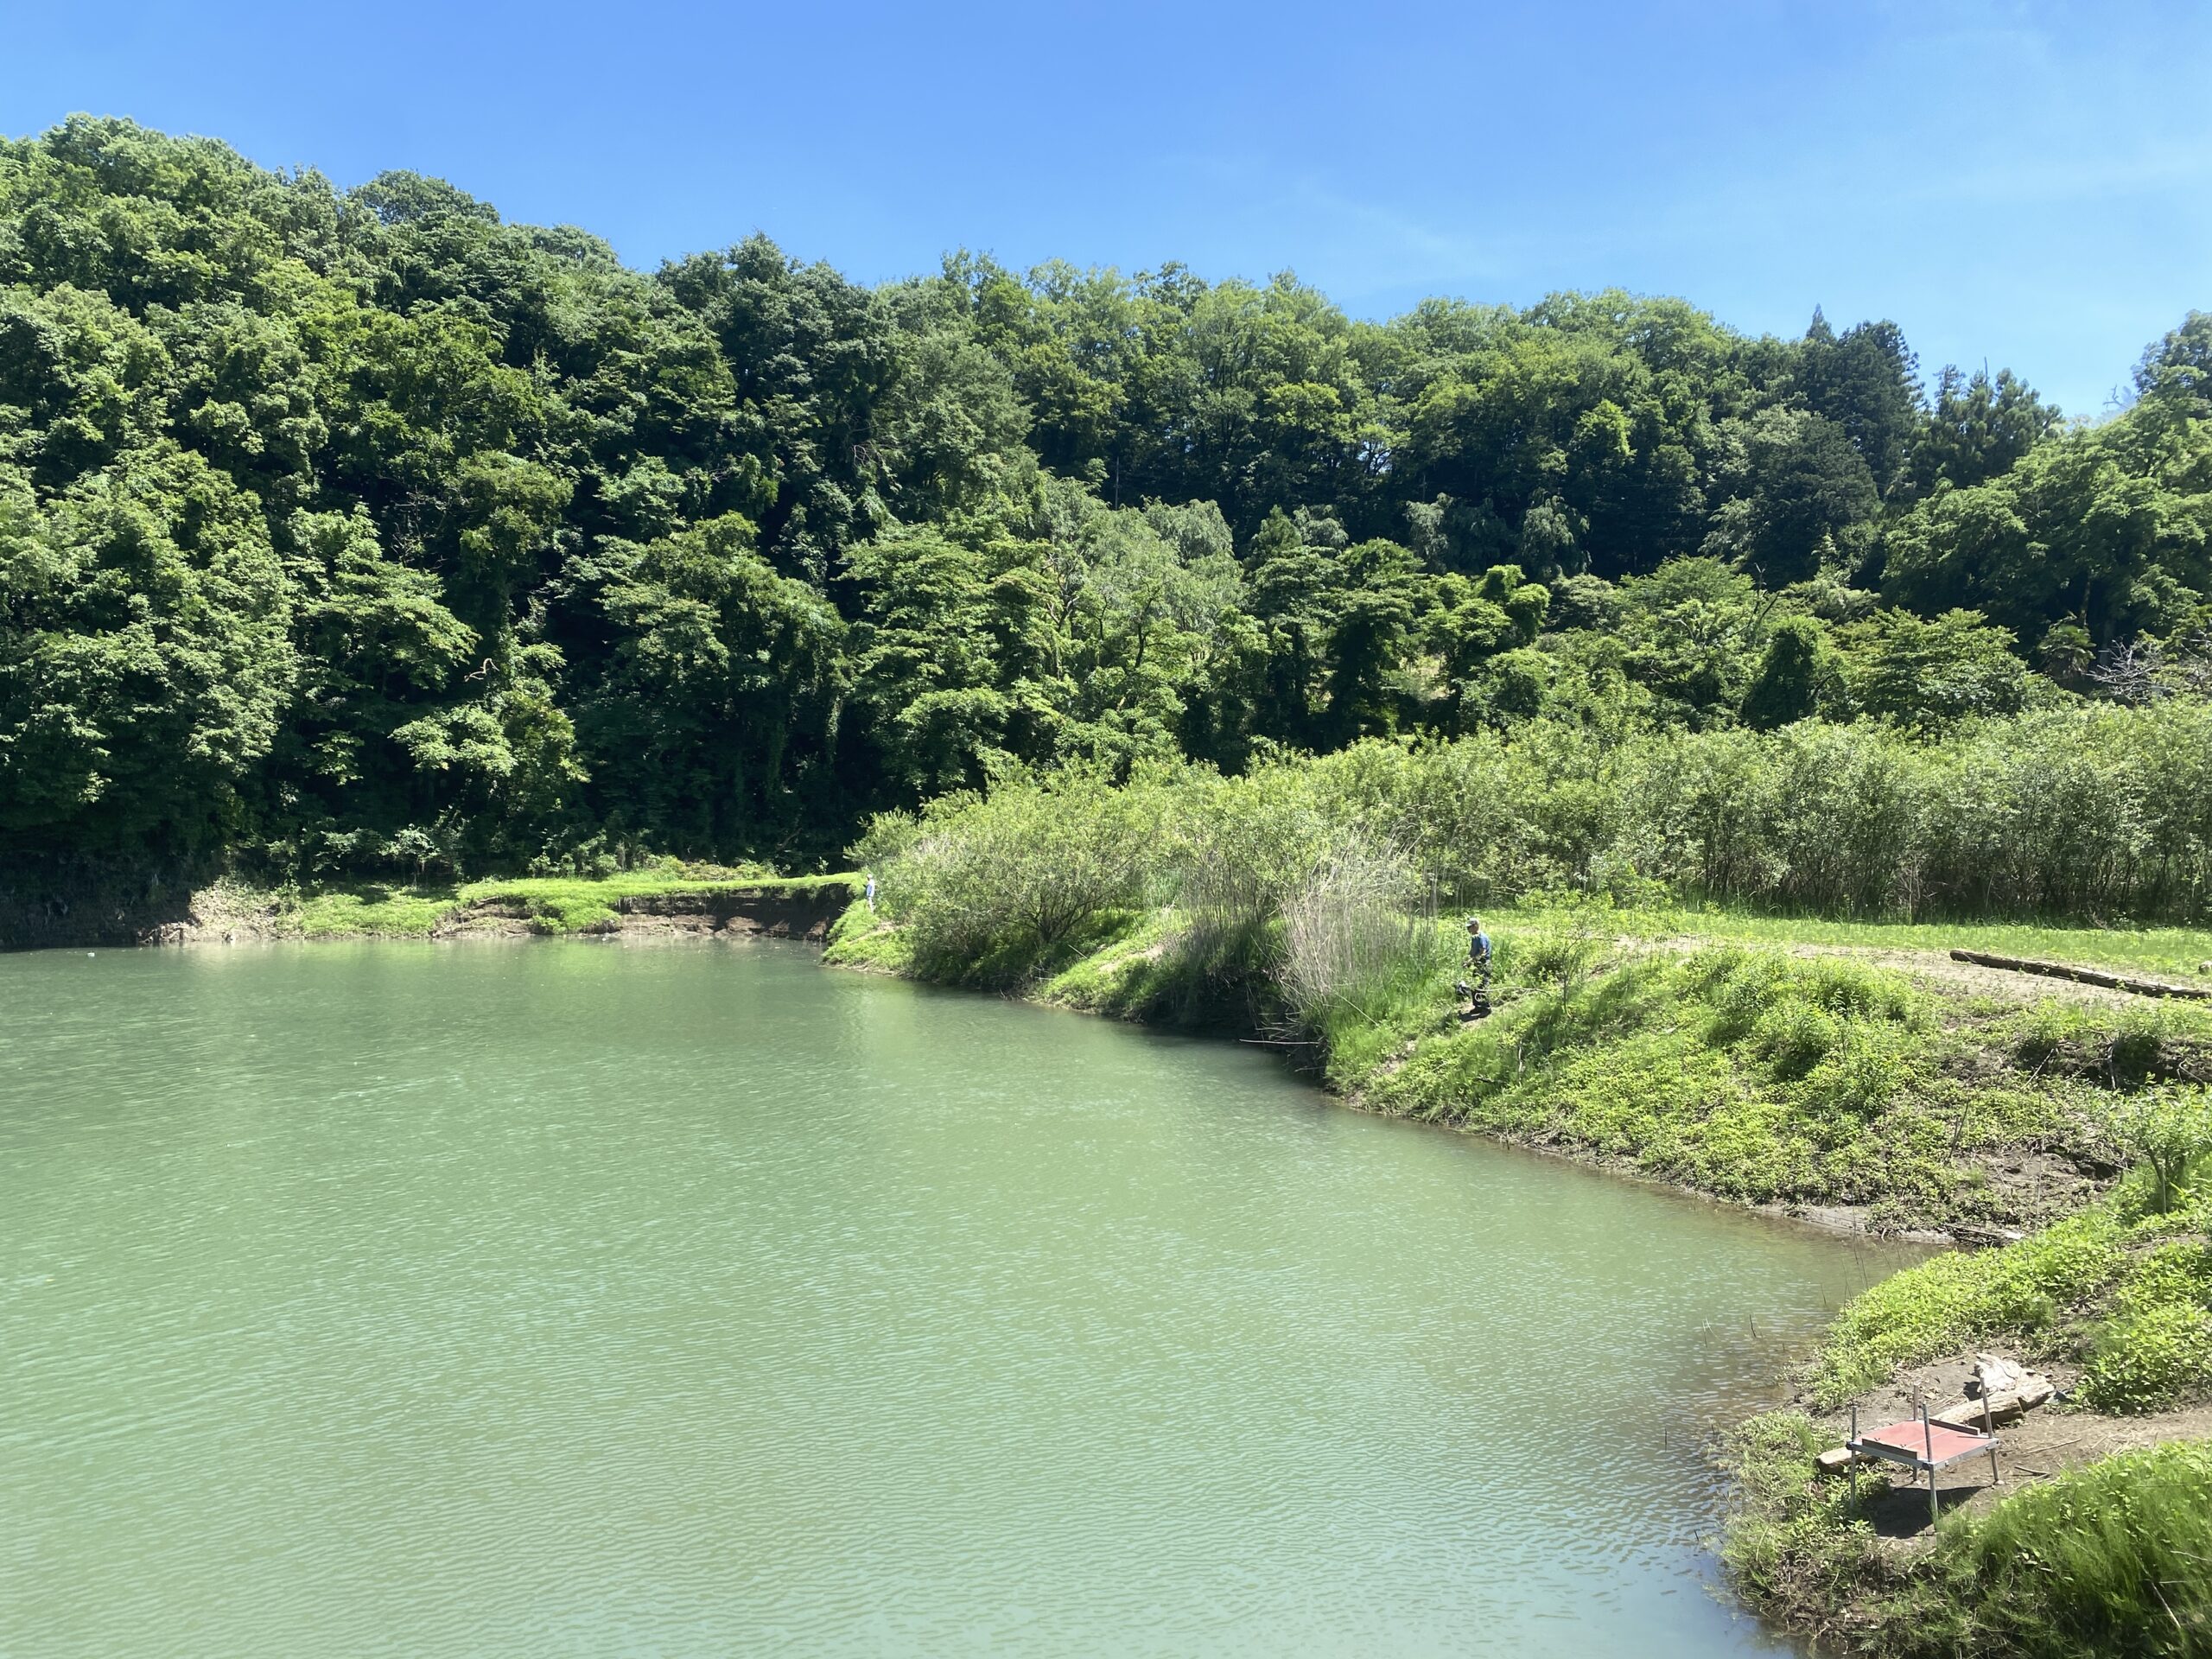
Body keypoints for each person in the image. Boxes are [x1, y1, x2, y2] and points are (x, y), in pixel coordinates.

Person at [1465, 917, 1492, 984]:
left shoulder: (1481, 937)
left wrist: (1470, 961)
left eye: (1470, 927)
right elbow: (1473, 950)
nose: (1468, 929)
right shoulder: (1474, 937)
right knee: (1475, 983)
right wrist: (1467, 959)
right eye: (1468, 928)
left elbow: (1482, 952)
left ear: (1476, 926)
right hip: (1477, 962)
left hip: (1483, 963)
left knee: (1483, 983)